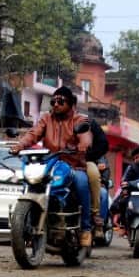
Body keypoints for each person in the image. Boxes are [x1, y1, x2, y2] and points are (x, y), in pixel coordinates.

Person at [9, 85, 97, 246]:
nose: (56, 104)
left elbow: (86, 136)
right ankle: (26, 221)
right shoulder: (46, 119)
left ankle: (85, 228)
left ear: (70, 104)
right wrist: (20, 145)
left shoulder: (79, 120)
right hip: (50, 163)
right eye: (53, 101)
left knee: (82, 183)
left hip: (73, 164)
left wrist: (84, 144)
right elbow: (33, 134)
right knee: (31, 182)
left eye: (61, 101)